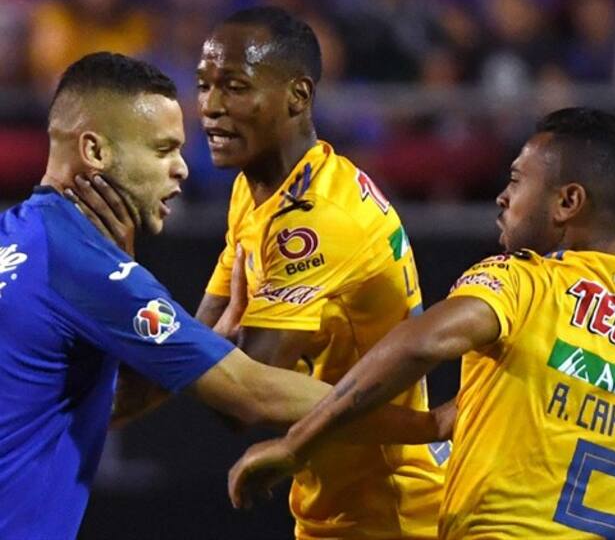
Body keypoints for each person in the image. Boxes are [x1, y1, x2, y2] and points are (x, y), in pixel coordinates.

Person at [0, 52, 444, 540]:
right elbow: (249, 391)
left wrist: (198, 342)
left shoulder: (16, 239)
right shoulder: (85, 268)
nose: (182, 169)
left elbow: (88, 408)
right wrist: (428, 425)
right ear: (96, 152)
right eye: (162, 150)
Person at [229, 108, 615, 540]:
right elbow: (458, 421)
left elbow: (421, 345)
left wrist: (297, 443)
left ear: (567, 202)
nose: (502, 196)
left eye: (518, 180)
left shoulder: (525, 281)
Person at [194, 6, 446, 539]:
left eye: (235, 87)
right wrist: (214, 349)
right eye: (204, 85)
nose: (211, 107)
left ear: (298, 96)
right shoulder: (256, 189)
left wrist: (213, 349)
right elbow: (205, 343)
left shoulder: (317, 221)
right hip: (329, 503)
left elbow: (241, 398)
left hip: (394, 509)